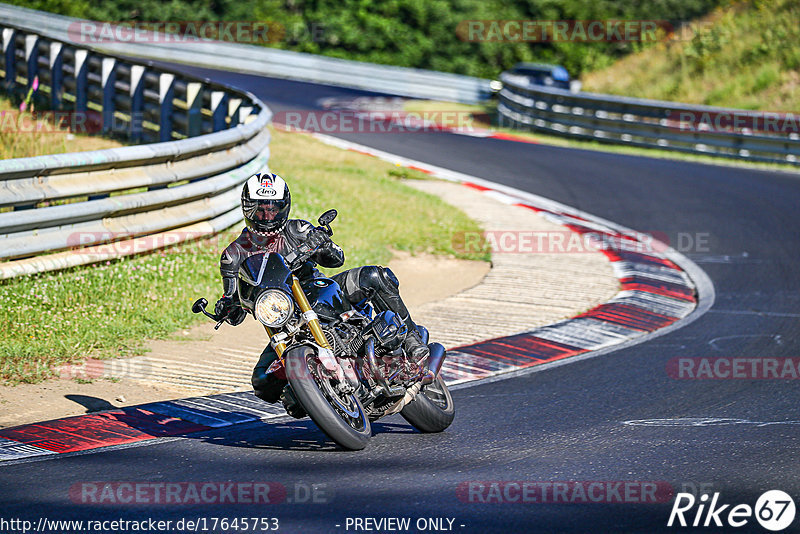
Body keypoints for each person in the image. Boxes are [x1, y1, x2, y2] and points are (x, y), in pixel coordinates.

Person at [214, 171, 430, 403]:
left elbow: (338, 258)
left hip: (321, 291)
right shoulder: (233, 255)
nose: (267, 215)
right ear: (248, 209)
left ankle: (412, 341)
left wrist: (321, 244)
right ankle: (309, 394)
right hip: (283, 318)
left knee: (376, 276)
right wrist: (226, 307)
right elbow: (233, 303)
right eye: (260, 209)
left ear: (283, 207)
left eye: (273, 209)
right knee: (262, 382)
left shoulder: (298, 230)